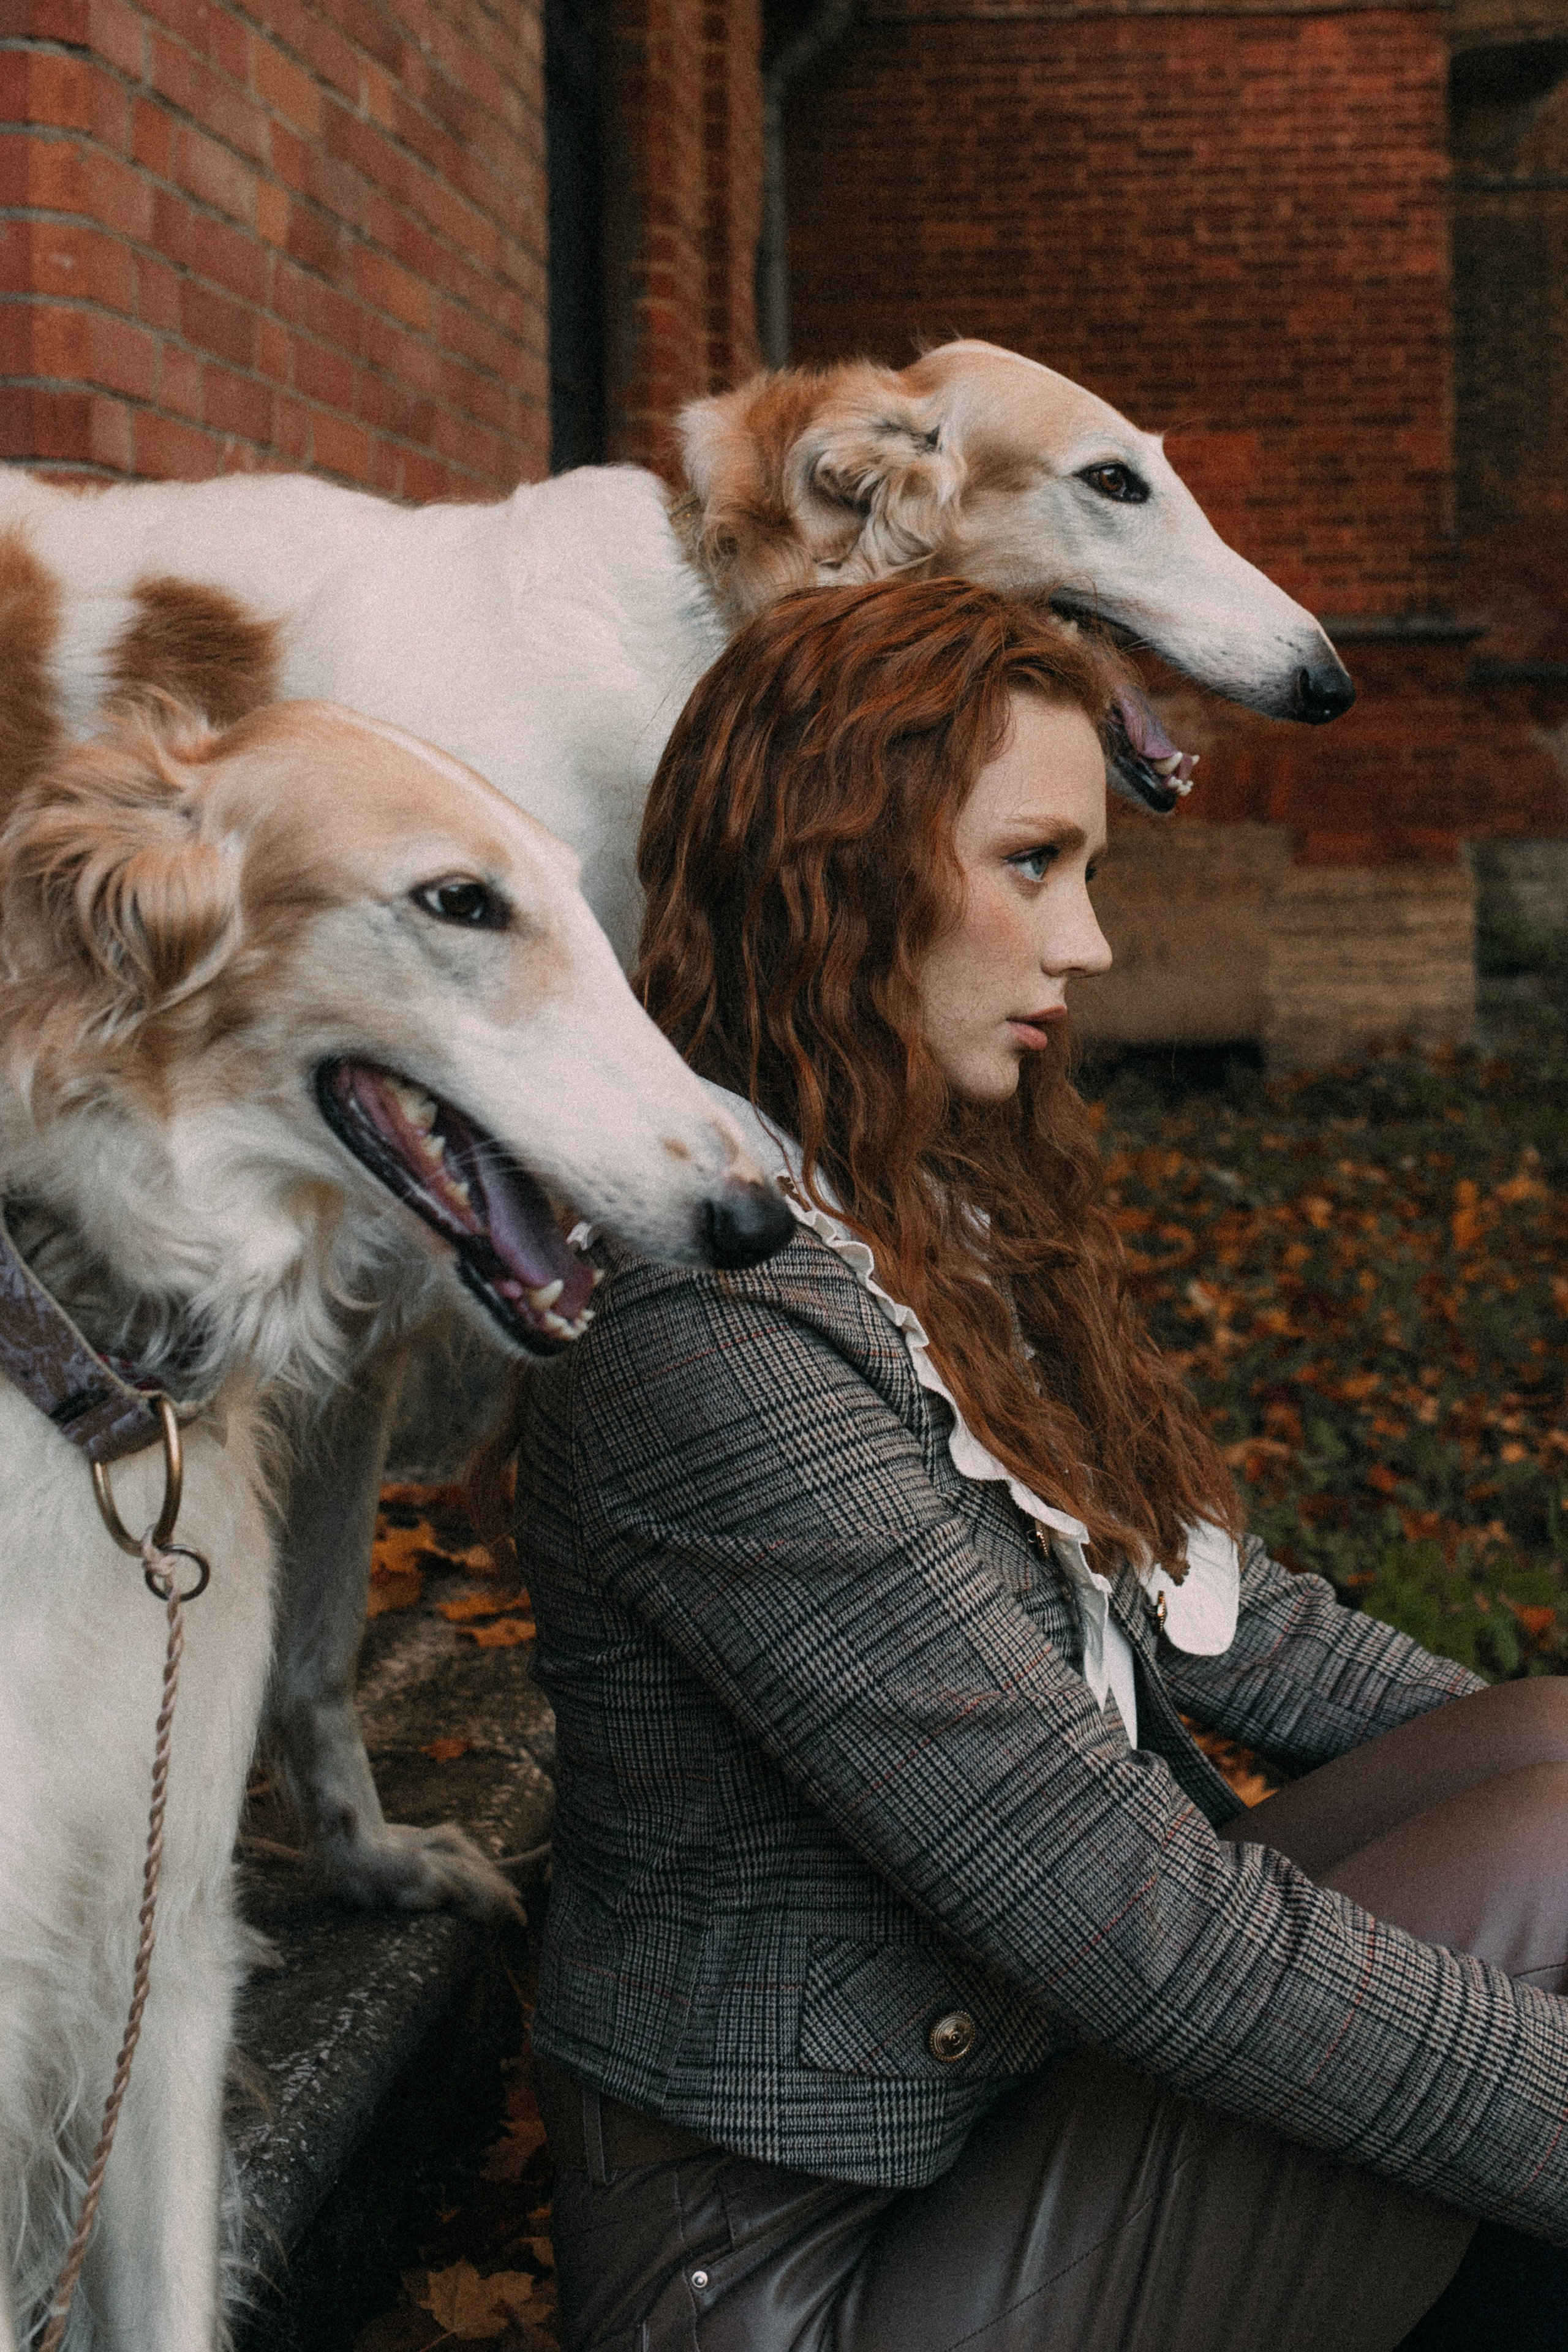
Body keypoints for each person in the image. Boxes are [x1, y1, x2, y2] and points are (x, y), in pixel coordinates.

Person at [510, 577, 1568, 2352]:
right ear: (835, 870)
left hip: (1010, 2109)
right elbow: (1146, 1928)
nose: (1085, 948)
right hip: (806, 2278)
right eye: (1032, 865)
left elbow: (1244, 1631)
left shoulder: (915, 1215)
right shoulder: (708, 1341)